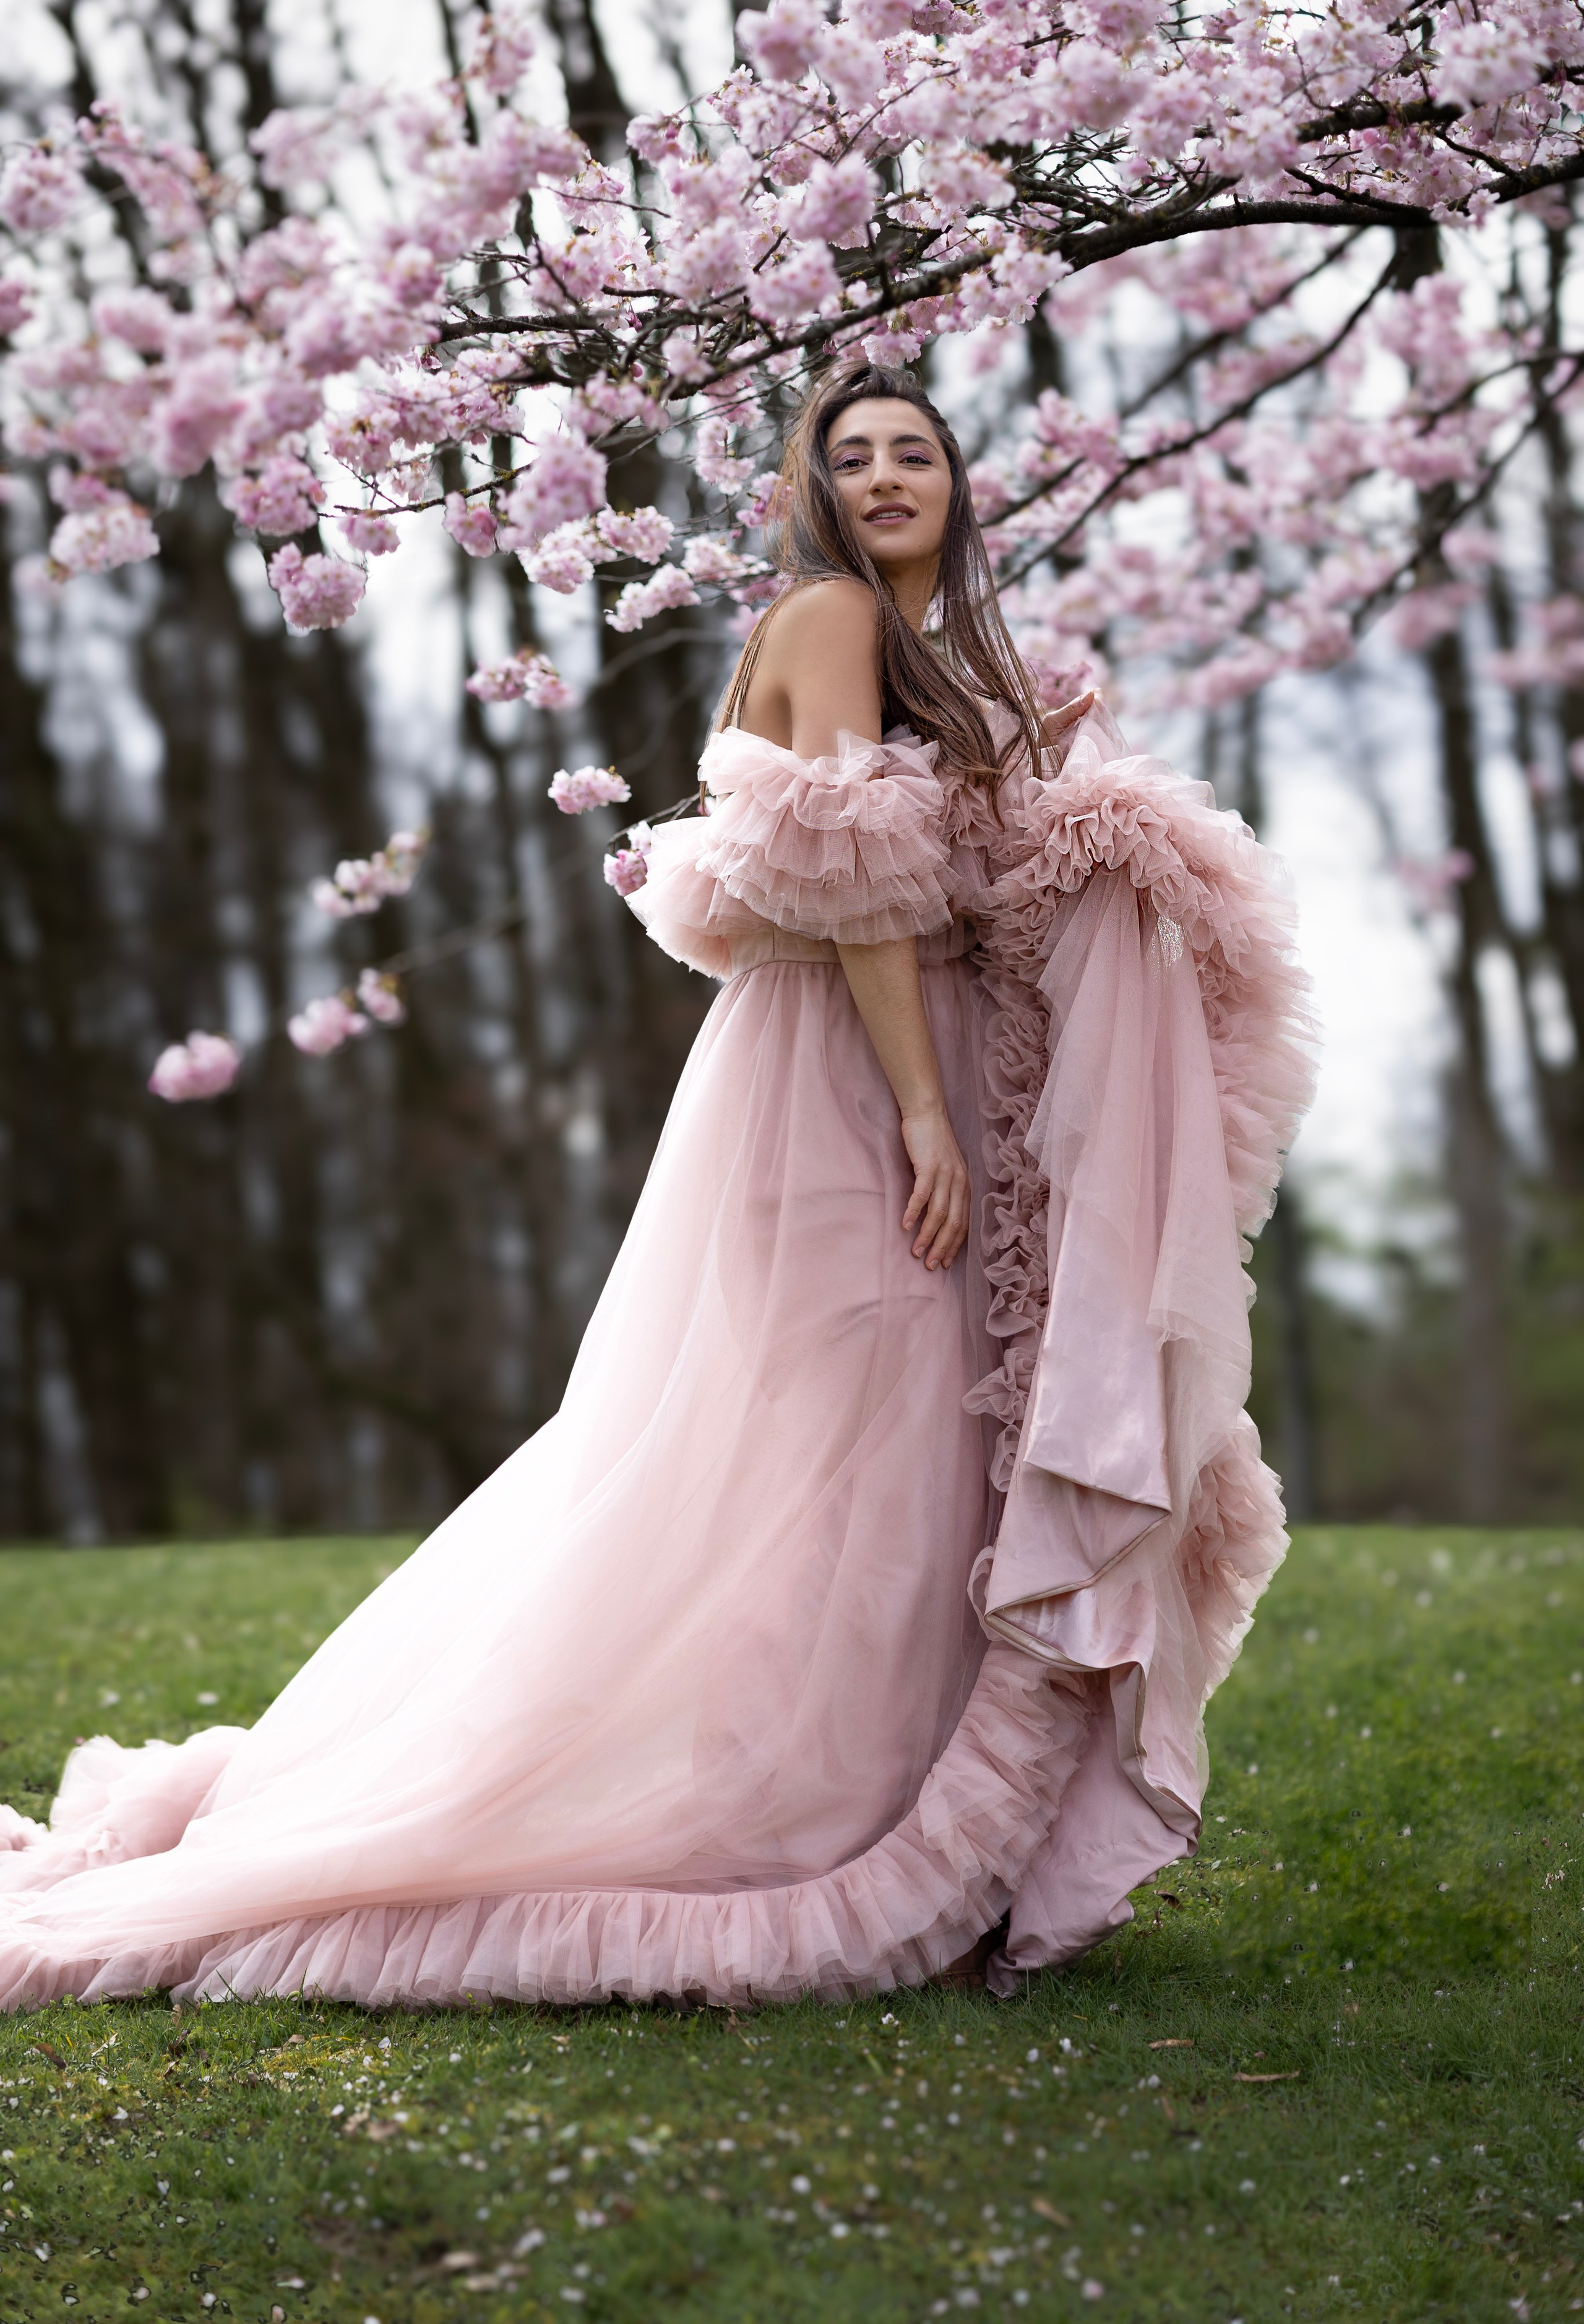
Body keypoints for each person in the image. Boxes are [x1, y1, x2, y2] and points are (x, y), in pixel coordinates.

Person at [0, 366, 1315, 2010]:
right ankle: (771, 1800)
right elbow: (859, 888)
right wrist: (923, 1115)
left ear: (962, 483)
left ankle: (878, 1788)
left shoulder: (942, 650)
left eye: (919, 452)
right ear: (818, 489)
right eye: (857, 456)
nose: (891, 475)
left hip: (883, 1068)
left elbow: (948, 871)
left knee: (897, 1445)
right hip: (843, 1078)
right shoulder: (832, 615)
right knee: (845, 1437)